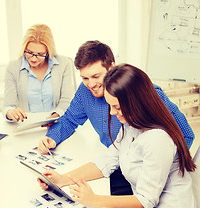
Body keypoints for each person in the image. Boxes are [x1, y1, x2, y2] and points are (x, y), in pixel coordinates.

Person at [39, 64, 198, 208]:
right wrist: (63, 179)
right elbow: (107, 161)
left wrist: (94, 199)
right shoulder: (130, 125)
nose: (113, 113)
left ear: (137, 102)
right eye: (111, 107)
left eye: (117, 107)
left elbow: (145, 200)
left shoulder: (158, 139)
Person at [38, 40, 195, 196]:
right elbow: (70, 119)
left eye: (95, 76)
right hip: (113, 162)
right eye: (85, 78)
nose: (90, 84)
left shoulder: (144, 94)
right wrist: (52, 137)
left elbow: (186, 135)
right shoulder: (85, 91)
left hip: (142, 174)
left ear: (111, 67)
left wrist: (155, 167)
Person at [3, 24, 75, 122]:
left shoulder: (64, 64)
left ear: (48, 51)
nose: (33, 58)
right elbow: (8, 106)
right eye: (29, 52)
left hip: (56, 124)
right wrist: (11, 112)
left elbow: (67, 100)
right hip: (27, 126)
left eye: (40, 54)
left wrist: (56, 115)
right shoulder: (13, 67)